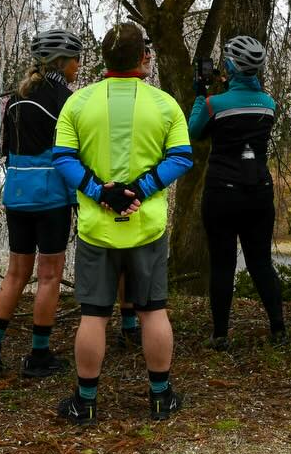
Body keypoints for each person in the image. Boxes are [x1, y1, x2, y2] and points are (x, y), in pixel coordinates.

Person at [52, 23, 195, 424]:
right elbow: (182, 156)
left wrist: (102, 192)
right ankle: (160, 396)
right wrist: (141, 189)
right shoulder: (165, 104)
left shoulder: (78, 103)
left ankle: (86, 401)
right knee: (153, 311)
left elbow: (62, 158)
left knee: (94, 314)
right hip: (146, 226)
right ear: (142, 58)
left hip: (97, 227)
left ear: (104, 58)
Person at [0, 29, 83, 378]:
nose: (79, 66)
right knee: (49, 274)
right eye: (77, 60)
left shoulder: (17, 99)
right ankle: (39, 353)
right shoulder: (67, 100)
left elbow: (6, 150)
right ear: (63, 63)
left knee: (16, 271)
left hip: (17, 194)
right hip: (51, 196)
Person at [189, 35, 286, 349]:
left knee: (222, 264)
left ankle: (220, 335)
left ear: (230, 66)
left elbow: (194, 132)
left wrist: (199, 94)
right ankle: (278, 328)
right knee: (261, 262)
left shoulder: (214, 104)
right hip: (259, 190)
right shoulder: (269, 104)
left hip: (222, 191)